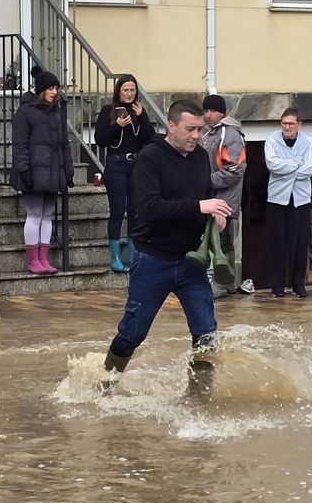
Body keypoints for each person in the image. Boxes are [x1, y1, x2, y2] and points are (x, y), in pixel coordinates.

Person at [99, 99, 233, 398]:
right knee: (132, 333)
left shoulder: (201, 157)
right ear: (171, 126)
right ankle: (106, 386)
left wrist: (215, 219)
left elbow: (206, 197)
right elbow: (149, 208)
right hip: (152, 259)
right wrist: (199, 207)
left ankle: (199, 398)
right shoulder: (150, 158)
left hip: (191, 262)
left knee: (206, 333)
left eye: (200, 129)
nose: (197, 136)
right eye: (190, 129)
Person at [12, 66, 75, 275]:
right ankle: (32, 259)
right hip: (33, 171)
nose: (55, 92)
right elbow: (20, 144)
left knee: (47, 215)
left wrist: (68, 170)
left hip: (52, 171)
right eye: (50, 88)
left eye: (56, 88)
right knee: (35, 214)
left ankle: (43, 258)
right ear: (41, 90)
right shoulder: (25, 112)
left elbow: (64, 143)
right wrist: (24, 170)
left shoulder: (56, 112)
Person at [92, 74, 156, 272]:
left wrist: (143, 116)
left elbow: (150, 138)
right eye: (126, 90)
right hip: (116, 164)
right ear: (118, 91)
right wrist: (116, 126)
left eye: (132, 90)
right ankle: (115, 256)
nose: (129, 94)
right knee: (118, 210)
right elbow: (100, 139)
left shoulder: (139, 111)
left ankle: (133, 252)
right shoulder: (108, 111)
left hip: (136, 165)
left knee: (135, 210)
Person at [261, 107, 312, 299]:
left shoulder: (308, 142)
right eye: (284, 123)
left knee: (300, 242)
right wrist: (296, 165)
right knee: (277, 242)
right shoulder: (272, 140)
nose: (287, 127)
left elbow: (311, 169)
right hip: (277, 198)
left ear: (299, 125)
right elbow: (271, 164)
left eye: (291, 123)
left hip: (300, 199)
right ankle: (277, 285)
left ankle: (298, 284)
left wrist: (287, 169)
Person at [199, 94, 248, 296]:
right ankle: (225, 283)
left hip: (224, 199)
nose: (208, 115)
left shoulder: (230, 134)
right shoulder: (208, 134)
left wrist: (207, 183)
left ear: (222, 112)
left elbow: (236, 168)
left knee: (222, 241)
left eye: (213, 111)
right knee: (214, 240)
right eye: (206, 110)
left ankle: (224, 283)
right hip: (211, 198)